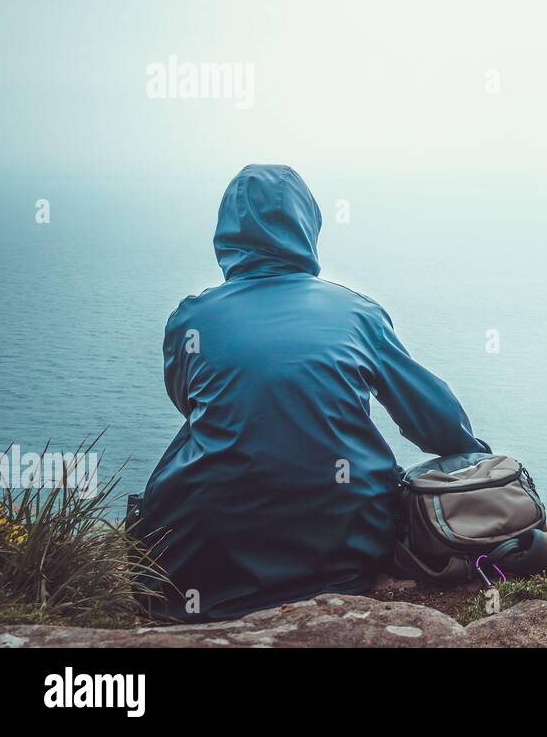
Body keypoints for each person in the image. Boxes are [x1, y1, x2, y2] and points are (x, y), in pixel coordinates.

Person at [139, 164, 486, 621]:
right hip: (344, 547)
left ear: (225, 236)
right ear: (308, 226)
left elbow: (190, 403)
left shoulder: (192, 319)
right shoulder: (356, 313)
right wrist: (472, 459)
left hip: (205, 555)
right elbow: (434, 418)